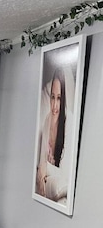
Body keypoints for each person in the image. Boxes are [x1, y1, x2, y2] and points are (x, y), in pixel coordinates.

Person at [35, 68, 68, 202]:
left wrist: (45, 167)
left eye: (59, 98)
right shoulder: (47, 121)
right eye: (52, 97)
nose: (54, 105)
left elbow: (66, 177)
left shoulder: (68, 123)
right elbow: (41, 160)